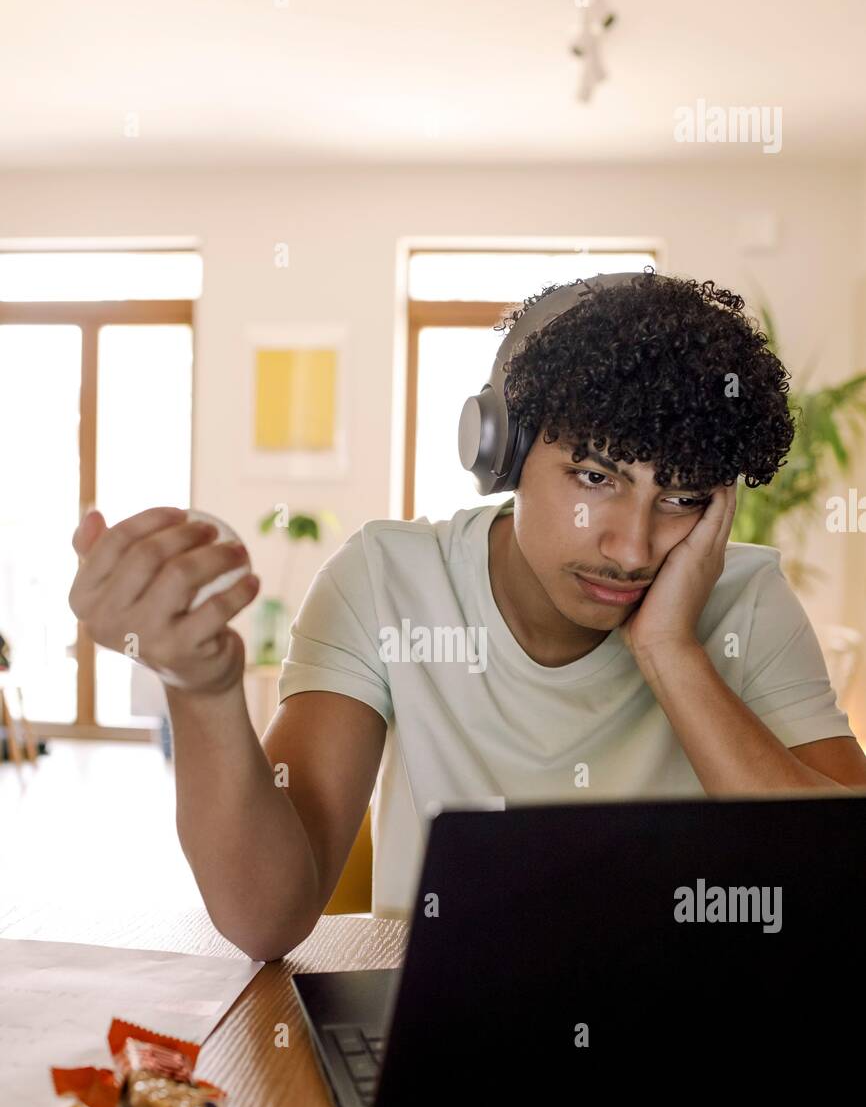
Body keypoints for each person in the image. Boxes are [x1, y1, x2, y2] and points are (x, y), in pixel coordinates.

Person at [69, 273, 866, 961]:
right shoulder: (387, 581)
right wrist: (201, 689)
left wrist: (670, 650)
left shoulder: (744, 597)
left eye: (682, 499)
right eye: (594, 476)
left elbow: (843, 886)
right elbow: (264, 921)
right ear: (503, 453)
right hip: (442, 1017)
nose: (631, 548)